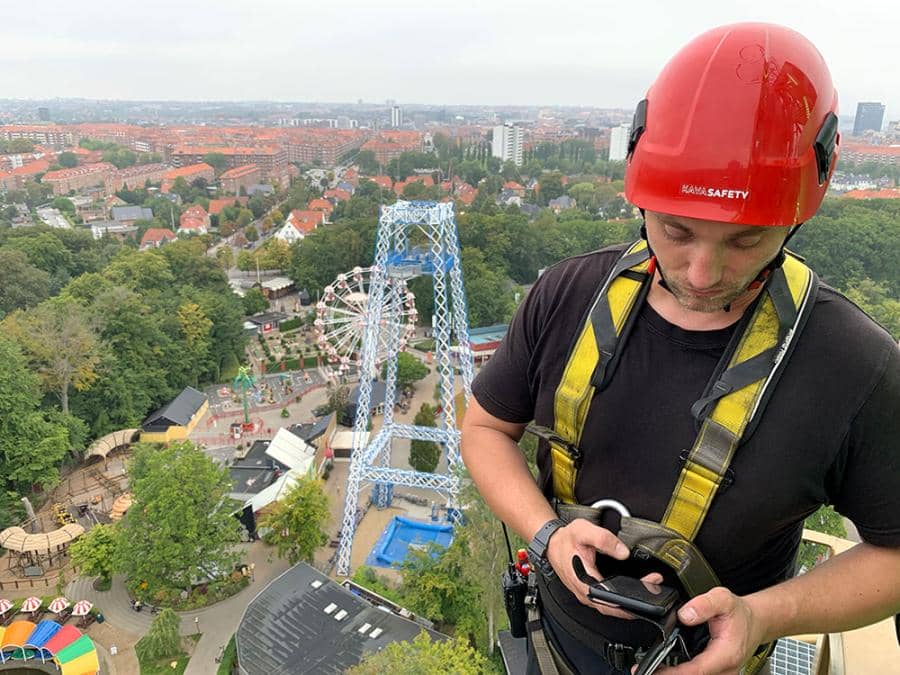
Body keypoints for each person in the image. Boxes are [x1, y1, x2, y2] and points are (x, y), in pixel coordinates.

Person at [461, 22, 900, 675]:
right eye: (676, 230)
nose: (700, 272)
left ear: (799, 211)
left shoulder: (853, 366)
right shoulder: (566, 296)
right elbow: (485, 427)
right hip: (558, 645)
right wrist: (546, 531)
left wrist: (764, 616)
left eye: (746, 241)